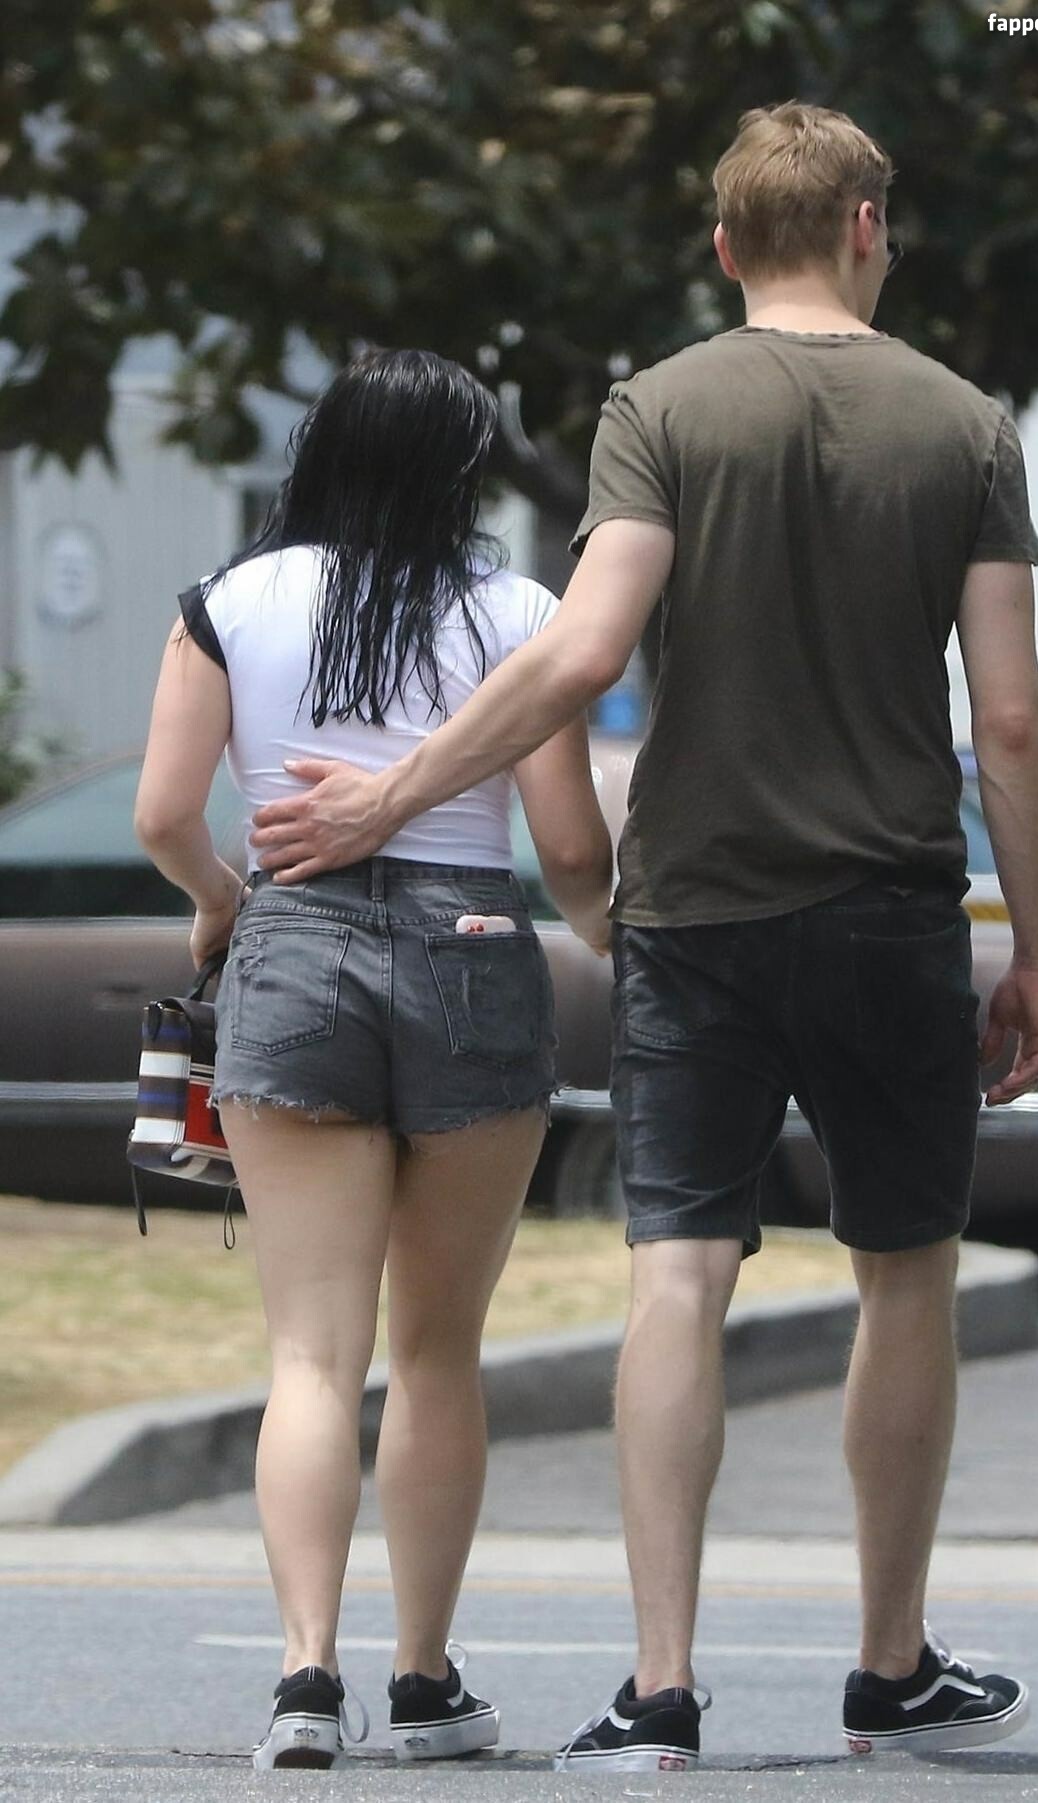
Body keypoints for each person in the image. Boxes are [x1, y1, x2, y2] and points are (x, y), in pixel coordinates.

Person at [246, 104, 1038, 1769]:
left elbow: (581, 651)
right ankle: (889, 1665)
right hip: (891, 905)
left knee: (678, 1275)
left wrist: (387, 795)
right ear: (863, 224)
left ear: (721, 245)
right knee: (903, 1272)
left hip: (693, 910)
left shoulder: (660, 407)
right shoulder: (964, 423)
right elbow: (1011, 719)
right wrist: (1033, 946)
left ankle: (660, 1689)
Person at [134, 348, 612, 1770]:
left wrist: (223, 899)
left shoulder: (226, 603)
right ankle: (421, 1679)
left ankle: (302, 1679)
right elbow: (570, 847)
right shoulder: (520, 614)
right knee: (438, 1350)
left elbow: (163, 813)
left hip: (294, 945)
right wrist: (617, 936)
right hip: (472, 942)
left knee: (309, 1353)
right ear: (463, 472)